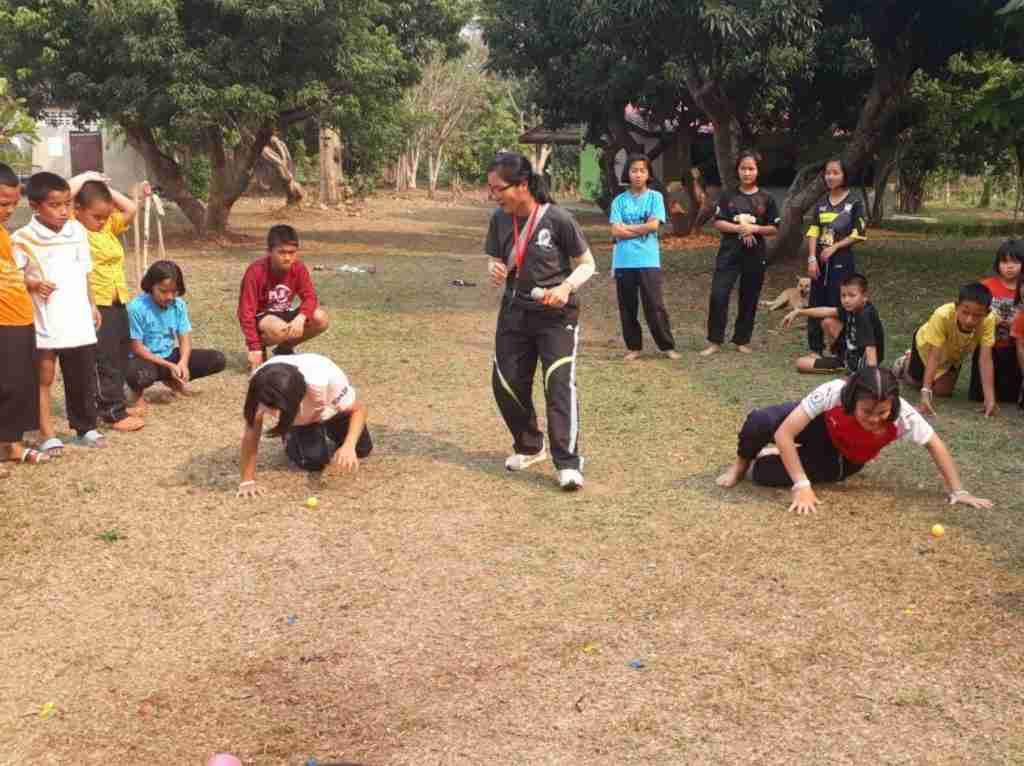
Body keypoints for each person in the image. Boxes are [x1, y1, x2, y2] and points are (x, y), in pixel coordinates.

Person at [715, 367, 993, 514]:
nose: (874, 419)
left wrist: (959, 491)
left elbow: (935, 444)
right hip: (820, 428)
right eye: (867, 411)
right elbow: (785, 432)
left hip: (843, 458)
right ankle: (740, 464)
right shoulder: (834, 392)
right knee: (760, 421)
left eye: (882, 413)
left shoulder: (903, 415)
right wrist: (802, 486)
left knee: (762, 474)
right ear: (851, 400)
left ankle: (766, 462)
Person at [485, 151, 596, 491]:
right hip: (514, 312)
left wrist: (565, 287)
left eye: (497, 188)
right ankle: (531, 446)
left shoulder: (558, 219)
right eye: (490, 189)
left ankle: (568, 462)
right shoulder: (499, 219)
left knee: (557, 384)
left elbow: (587, 264)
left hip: (555, 317)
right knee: (505, 382)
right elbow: (496, 255)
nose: (492, 195)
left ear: (521, 185)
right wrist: (494, 266)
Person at [13, 171, 105, 455]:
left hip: (76, 315)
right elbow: (12, 279)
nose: (63, 211)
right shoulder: (22, 238)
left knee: (82, 375)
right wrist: (32, 283)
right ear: (35, 206)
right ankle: (46, 432)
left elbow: (84, 271)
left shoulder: (77, 231)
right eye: (55, 205)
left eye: (67, 203)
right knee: (44, 376)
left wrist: (91, 304)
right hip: (45, 319)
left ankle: (85, 426)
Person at [237, 353, 372, 498]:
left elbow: (358, 410)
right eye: (270, 407)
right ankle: (291, 434)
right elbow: (252, 430)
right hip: (302, 418)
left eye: (277, 407)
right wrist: (247, 480)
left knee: (362, 449)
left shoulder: (328, 379)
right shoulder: (260, 385)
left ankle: (328, 427)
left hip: (329, 408)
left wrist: (349, 445)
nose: (273, 412)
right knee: (313, 462)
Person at [75, 177, 147, 432]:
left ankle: (117, 403)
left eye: (106, 216)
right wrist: (84, 179)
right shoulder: (74, 229)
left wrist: (104, 187)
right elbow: (63, 193)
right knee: (104, 359)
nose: (102, 221)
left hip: (118, 300)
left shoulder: (106, 228)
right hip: (97, 302)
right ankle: (112, 412)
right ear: (78, 210)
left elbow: (130, 208)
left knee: (119, 355)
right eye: (96, 216)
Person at [701, 150, 780, 356]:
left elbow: (774, 228)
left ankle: (742, 339)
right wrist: (739, 229)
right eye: (743, 168)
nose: (747, 173)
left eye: (751, 168)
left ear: (758, 171)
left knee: (749, 297)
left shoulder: (767, 198)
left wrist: (755, 229)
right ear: (738, 171)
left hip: (755, 255)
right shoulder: (728, 196)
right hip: (729, 254)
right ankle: (715, 341)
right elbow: (718, 222)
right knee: (719, 295)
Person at [125, 260, 226, 412]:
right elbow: (136, 348)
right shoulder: (136, 308)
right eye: (163, 291)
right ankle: (137, 395)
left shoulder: (179, 305)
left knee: (217, 359)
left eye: (174, 291)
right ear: (150, 286)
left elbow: (184, 337)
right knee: (139, 375)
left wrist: (183, 363)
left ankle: (171, 379)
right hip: (144, 359)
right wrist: (169, 365)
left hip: (168, 357)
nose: (170, 297)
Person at [0, 163, 49, 473]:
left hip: (19, 318)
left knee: (19, 386)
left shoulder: (4, 235)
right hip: (2, 320)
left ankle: (13, 446)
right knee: (5, 386)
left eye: (13, 203)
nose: (9, 209)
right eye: (3, 203)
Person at [609, 153, 679, 361]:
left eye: (642, 170)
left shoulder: (655, 197)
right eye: (634, 170)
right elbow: (615, 231)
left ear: (648, 173)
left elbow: (654, 225)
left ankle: (666, 346)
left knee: (655, 305)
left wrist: (627, 229)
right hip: (624, 261)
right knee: (627, 306)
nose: (638, 175)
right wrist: (641, 229)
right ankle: (634, 347)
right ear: (627, 173)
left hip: (648, 260)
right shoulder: (619, 201)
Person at [892, 282, 998, 418]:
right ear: (956, 306)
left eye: (977, 315)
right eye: (965, 312)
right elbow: (934, 356)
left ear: (987, 312)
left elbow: (985, 360)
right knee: (915, 382)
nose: (969, 320)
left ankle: (927, 377)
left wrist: (990, 399)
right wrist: (925, 394)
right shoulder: (942, 315)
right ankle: (905, 363)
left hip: (954, 354)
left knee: (942, 391)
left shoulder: (989, 320)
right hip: (927, 347)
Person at [238, 224, 329, 372]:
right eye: (281, 252)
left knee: (320, 318)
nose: (287, 258)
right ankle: (261, 348)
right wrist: (253, 347)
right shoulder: (255, 271)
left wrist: (300, 318)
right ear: (269, 251)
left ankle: (284, 349)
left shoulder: (298, 268)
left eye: (292, 252)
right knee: (280, 329)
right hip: (263, 318)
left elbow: (310, 297)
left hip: (284, 312)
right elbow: (245, 312)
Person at [805, 158, 867, 355]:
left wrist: (835, 247)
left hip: (842, 262)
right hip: (820, 263)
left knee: (839, 303)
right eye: (827, 173)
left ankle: (840, 349)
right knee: (815, 301)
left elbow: (859, 233)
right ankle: (815, 348)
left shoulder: (854, 201)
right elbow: (814, 230)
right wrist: (812, 258)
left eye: (835, 173)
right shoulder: (821, 202)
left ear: (844, 175)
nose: (830, 177)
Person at [782, 273, 884, 374]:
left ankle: (841, 365)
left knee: (801, 363)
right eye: (843, 295)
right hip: (851, 352)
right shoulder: (854, 307)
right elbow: (825, 311)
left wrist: (872, 376)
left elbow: (871, 347)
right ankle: (839, 358)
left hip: (858, 363)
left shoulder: (864, 316)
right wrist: (799, 312)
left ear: (865, 296)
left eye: (852, 295)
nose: (846, 300)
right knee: (828, 321)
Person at [969, 239, 1022, 403]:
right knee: (977, 397)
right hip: (987, 348)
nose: (1010, 266)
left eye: (1015, 262)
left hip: (1014, 351)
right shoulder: (985, 286)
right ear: (997, 263)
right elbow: (971, 313)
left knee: (1009, 398)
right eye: (1004, 262)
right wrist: (991, 318)